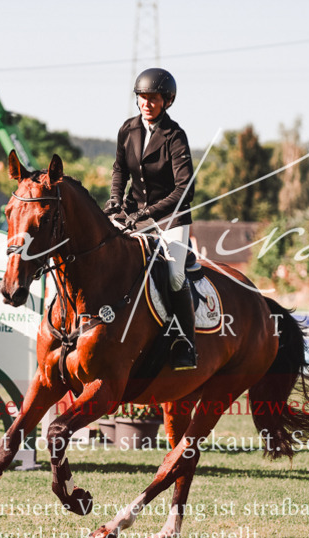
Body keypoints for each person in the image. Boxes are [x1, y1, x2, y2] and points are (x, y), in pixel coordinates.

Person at [103, 67, 197, 370]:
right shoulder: (128, 129)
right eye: (142, 97)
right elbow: (119, 169)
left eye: (153, 98)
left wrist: (146, 213)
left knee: (174, 275)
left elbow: (186, 189)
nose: (146, 103)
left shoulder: (175, 136)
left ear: (166, 101)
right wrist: (116, 198)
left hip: (171, 217)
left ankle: (185, 341)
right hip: (133, 212)